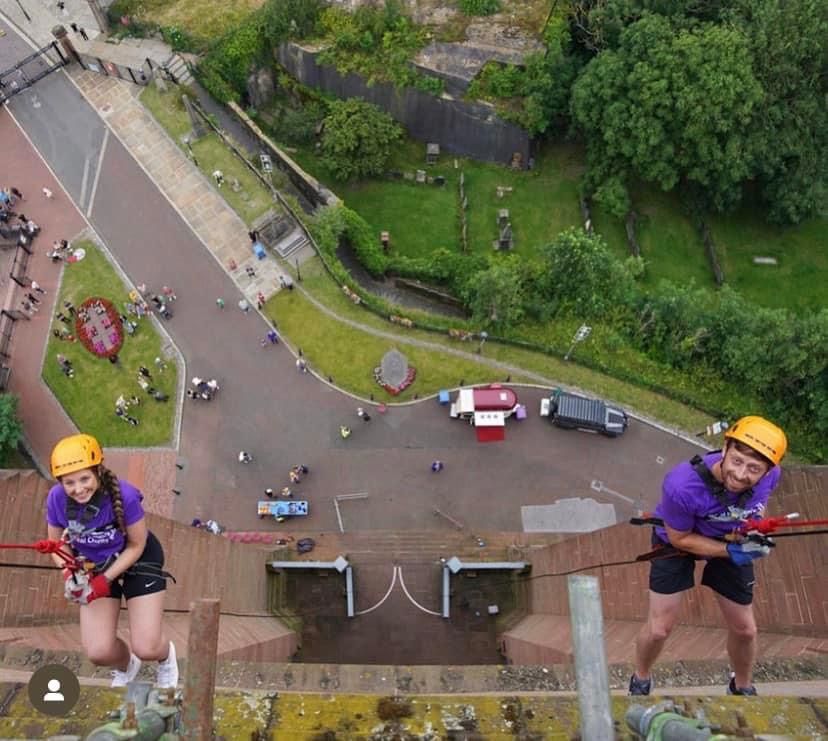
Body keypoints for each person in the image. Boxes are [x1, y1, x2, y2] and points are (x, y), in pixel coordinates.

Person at [630, 416, 787, 697]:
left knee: (746, 630)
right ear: (725, 448)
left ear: (768, 470)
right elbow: (680, 538)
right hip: (676, 540)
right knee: (659, 629)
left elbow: (758, 503)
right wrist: (730, 550)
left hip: (732, 537)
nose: (740, 475)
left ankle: (741, 686)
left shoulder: (771, 476)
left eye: (753, 469)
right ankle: (640, 679)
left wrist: (753, 528)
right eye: (737, 461)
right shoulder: (681, 486)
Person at [45, 434, 178, 688]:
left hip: (136, 558)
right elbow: (56, 544)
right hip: (93, 565)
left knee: (146, 646)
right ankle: (127, 665)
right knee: (99, 652)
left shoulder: (125, 496)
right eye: (69, 482)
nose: (78, 489)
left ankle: (165, 657)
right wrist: (70, 575)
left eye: (85, 478)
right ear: (60, 482)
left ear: (97, 471)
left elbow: (137, 544)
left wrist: (105, 581)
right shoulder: (56, 499)